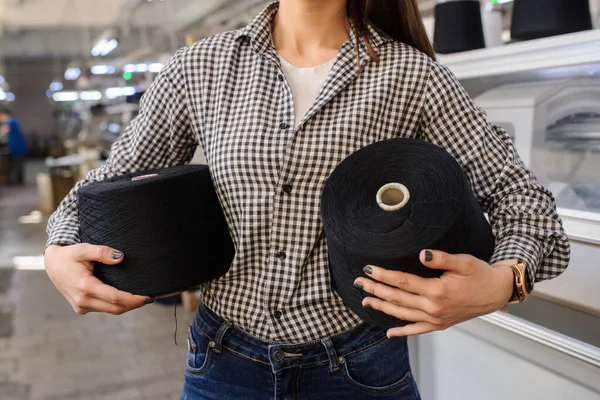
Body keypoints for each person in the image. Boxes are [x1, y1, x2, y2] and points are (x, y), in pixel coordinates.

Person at [44, 1, 571, 399]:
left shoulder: (412, 78)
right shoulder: (201, 68)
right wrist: (58, 249)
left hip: (358, 367)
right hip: (223, 364)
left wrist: (506, 281)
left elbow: (520, 198)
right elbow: (113, 181)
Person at [0, 105, 28, 185]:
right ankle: (19, 180)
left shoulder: (10, 121)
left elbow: (3, 131)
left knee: (16, 164)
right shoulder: (14, 120)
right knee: (18, 164)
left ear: (3, 114)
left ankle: (17, 181)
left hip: (17, 146)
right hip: (18, 145)